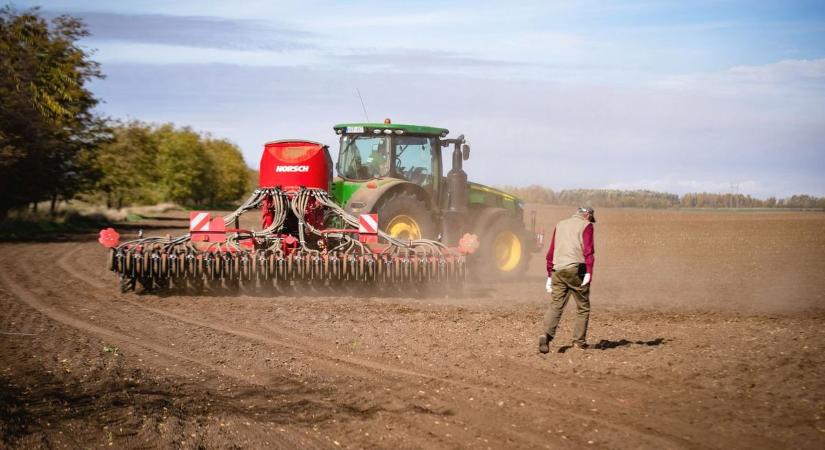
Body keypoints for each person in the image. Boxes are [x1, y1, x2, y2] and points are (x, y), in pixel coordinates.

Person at [539, 207, 596, 353]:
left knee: (556, 305)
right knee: (583, 306)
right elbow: (588, 250)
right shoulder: (586, 225)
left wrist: (549, 275)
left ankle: (545, 335)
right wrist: (589, 272)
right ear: (587, 215)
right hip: (576, 270)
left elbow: (551, 252)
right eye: (590, 218)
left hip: (558, 270)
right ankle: (579, 342)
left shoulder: (560, 224)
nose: (591, 221)